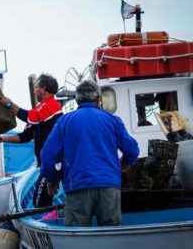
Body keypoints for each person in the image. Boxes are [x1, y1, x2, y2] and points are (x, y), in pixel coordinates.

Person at [40, 80, 139, 226]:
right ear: (98, 99)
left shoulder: (64, 122)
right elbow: (132, 149)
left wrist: (51, 180)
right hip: (108, 186)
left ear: (77, 100)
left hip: (77, 187)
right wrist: (125, 163)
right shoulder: (112, 120)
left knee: (77, 238)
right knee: (111, 235)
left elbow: (47, 155)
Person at [0, 73, 63, 207]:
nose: (34, 91)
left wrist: (9, 104)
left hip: (52, 164)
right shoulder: (39, 111)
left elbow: (28, 117)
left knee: (40, 202)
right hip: (44, 165)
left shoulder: (52, 106)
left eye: (36, 87)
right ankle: (50, 218)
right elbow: (25, 136)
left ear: (43, 88)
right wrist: (1, 139)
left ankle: (48, 223)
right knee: (41, 201)